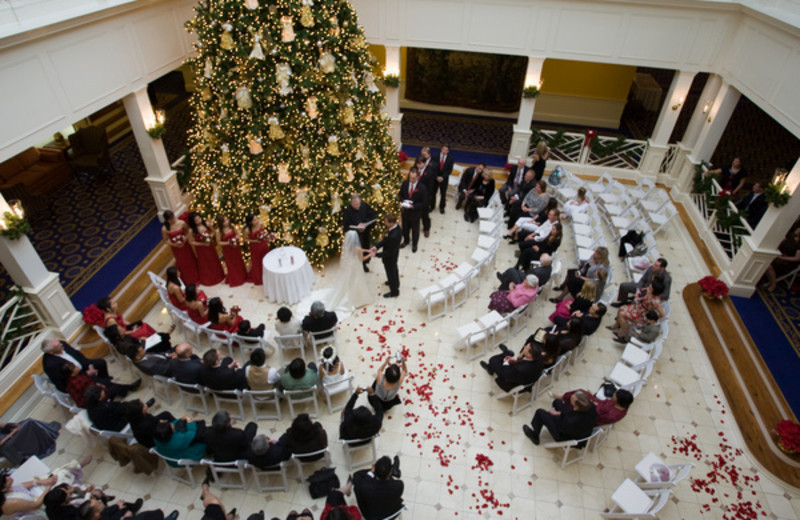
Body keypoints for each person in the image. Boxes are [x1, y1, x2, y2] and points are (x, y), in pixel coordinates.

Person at [522, 390, 596, 445]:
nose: (571, 397)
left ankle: (535, 436)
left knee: (540, 413)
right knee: (556, 402)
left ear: (576, 407)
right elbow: (568, 414)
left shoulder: (571, 421)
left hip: (564, 435)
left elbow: (562, 424)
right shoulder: (591, 406)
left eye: (572, 399)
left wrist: (554, 414)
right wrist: (560, 413)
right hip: (577, 426)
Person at [325, 230, 374, 312]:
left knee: (350, 280)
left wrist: (366, 250)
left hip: (350, 265)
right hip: (356, 266)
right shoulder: (357, 248)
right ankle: (357, 299)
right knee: (356, 281)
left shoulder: (347, 246)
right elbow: (362, 259)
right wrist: (370, 254)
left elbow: (359, 251)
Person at [42, 338, 110, 392]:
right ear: (51, 352)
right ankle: (104, 388)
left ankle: (105, 380)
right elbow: (67, 380)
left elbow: (76, 353)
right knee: (102, 383)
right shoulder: (51, 365)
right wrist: (86, 374)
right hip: (76, 378)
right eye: (58, 345)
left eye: (59, 342)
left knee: (101, 362)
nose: (61, 344)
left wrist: (87, 364)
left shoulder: (62, 344)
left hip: (82, 365)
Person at [62, 364, 139, 409]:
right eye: (75, 367)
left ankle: (127, 389)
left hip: (89, 396)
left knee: (107, 382)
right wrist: (102, 388)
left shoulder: (69, 380)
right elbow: (92, 392)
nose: (77, 366)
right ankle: (129, 388)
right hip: (92, 402)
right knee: (111, 388)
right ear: (72, 372)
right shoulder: (79, 382)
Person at [351, 456, 404, 520]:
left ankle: (388, 472)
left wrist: (371, 472)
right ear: (390, 472)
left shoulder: (365, 488)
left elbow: (357, 475)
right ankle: (394, 472)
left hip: (372, 516)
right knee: (391, 481)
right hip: (394, 511)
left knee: (358, 484)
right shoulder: (399, 485)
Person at [479, 341, 546, 393]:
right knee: (506, 357)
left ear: (529, 354)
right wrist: (516, 361)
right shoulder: (540, 357)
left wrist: (506, 363)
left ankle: (490, 368)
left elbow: (506, 374)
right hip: (525, 375)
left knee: (493, 360)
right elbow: (525, 363)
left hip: (510, 381)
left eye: (526, 348)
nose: (524, 346)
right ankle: (506, 353)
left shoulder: (519, 369)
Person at [558, 388, 633, 426]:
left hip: (591, 412)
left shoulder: (611, 415)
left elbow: (596, 419)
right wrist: (595, 403)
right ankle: (563, 398)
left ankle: (564, 403)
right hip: (597, 404)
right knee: (580, 392)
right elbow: (604, 403)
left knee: (577, 399)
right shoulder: (620, 405)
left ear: (618, 400)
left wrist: (592, 405)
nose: (613, 395)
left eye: (615, 395)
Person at [341, 193, 377, 272]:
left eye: (358, 204)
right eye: (355, 204)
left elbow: (372, 216)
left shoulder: (364, 206)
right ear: (351, 203)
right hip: (356, 236)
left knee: (366, 247)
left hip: (365, 233)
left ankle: (365, 263)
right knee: (357, 251)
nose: (357, 206)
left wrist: (365, 223)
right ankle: (360, 265)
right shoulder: (347, 211)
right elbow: (346, 225)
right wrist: (357, 228)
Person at [161, 210, 199, 286]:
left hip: (185, 246)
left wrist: (184, 240)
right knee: (182, 263)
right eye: (170, 219)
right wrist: (174, 244)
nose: (173, 220)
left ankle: (196, 277)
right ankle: (187, 279)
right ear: (167, 220)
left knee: (190, 259)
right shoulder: (165, 228)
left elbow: (188, 232)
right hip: (176, 249)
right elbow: (166, 240)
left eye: (173, 218)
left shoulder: (181, 223)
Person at [187, 211, 224, 286]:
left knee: (213, 260)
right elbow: (191, 242)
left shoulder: (206, 224)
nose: (199, 220)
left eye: (199, 218)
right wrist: (202, 243)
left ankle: (218, 275)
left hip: (210, 246)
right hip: (201, 249)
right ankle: (209, 278)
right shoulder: (191, 230)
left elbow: (213, 232)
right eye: (196, 220)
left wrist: (209, 237)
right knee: (205, 263)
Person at [370, 214, 402, 298]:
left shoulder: (394, 236)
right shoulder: (395, 227)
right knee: (394, 269)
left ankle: (394, 291)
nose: (385, 223)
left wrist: (376, 255)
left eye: (386, 222)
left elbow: (389, 252)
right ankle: (396, 283)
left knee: (391, 272)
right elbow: (385, 240)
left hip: (390, 257)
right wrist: (376, 247)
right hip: (393, 255)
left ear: (391, 223)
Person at [397, 167, 427, 252]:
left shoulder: (422, 188)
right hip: (405, 211)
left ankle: (414, 244)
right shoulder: (405, 183)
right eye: (410, 177)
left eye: (413, 178)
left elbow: (424, 202)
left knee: (415, 229)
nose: (411, 180)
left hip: (415, 213)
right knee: (405, 228)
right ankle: (406, 241)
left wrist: (414, 206)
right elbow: (400, 195)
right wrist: (403, 201)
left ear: (418, 177)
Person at [763, 227, 800, 292]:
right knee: (763, 257)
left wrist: (782, 258)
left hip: (787, 263)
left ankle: (773, 284)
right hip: (778, 256)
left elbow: (797, 258)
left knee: (768, 266)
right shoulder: (790, 236)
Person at [215, 215, 247, 287]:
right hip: (227, 250)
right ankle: (235, 278)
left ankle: (242, 276)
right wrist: (228, 243)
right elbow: (219, 242)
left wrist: (236, 238)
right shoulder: (218, 231)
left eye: (227, 220)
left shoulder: (231, 226)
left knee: (238, 261)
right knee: (231, 263)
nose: (226, 222)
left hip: (235, 247)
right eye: (224, 221)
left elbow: (238, 234)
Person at [245, 214, 273, 285]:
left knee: (266, 259)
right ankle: (259, 277)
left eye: (256, 219)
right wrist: (254, 241)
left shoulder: (260, 224)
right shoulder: (247, 230)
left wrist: (266, 237)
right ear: (250, 222)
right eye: (254, 220)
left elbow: (263, 232)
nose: (256, 221)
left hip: (263, 245)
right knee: (257, 262)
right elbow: (245, 239)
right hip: (255, 247)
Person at [416, 150, 434, 236]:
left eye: (420, 164)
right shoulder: (415, 170)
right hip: (415, 196)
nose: (418, 166)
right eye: (417, 164)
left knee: (425, 215)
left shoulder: (429, 172)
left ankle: (426, 228)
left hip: (424, 197)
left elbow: (430, 187)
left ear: (424, 163)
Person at [431, 144, 454, 213]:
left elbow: (449, 170)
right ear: (441, 149)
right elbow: (433, 167)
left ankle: (442, 207)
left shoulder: (451, 159)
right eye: (443, 149)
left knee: (443, 193)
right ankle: (432, 206)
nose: (444, 151)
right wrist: (436, 176)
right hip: (435, 178)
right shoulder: (435, 156)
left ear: (448, 151)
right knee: (433, 193)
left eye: (446, 150)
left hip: (444, 179)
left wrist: (442, 177)